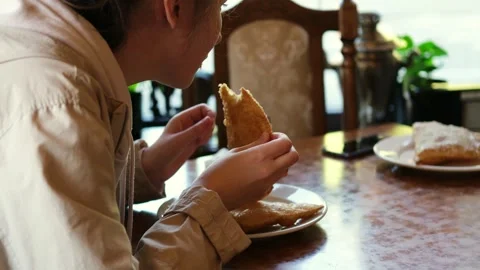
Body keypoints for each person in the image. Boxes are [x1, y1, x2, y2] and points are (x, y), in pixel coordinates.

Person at [0, 0, 299, 269]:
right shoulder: (58, 106)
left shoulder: (50, 54)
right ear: (176, 7)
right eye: (219, 6)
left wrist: (145, 167)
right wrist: (211, 202)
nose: (219, 34)